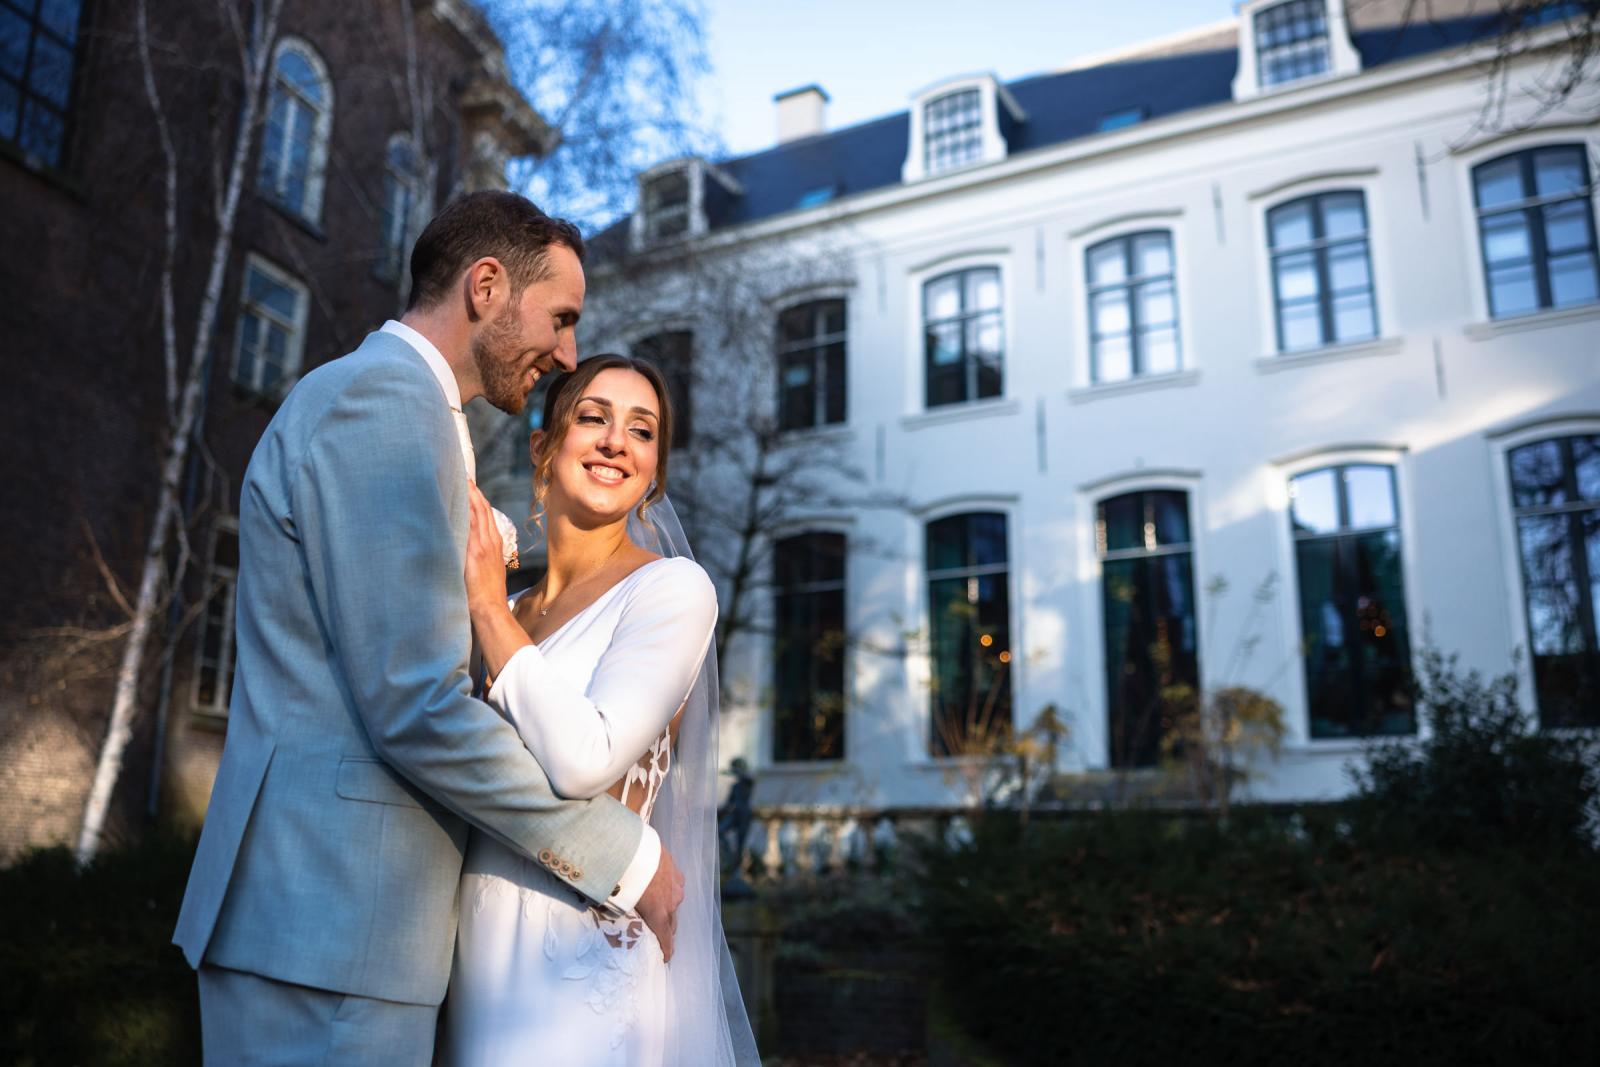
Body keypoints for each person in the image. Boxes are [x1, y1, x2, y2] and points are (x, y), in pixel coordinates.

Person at [172, 192, 683, 1064]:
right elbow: (412, 700)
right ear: (487, 286)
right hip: (329, 926)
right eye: (561, 319)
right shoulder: (385, 403)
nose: (566, 353)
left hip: (347, 931)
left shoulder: (408, 412)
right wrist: (624, 854)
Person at [442, 355, 758, 1065]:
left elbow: (587, 757)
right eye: (593, 417)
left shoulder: (672, 591)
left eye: (641, 430)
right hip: (477, 946)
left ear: (654, 472)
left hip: (582, 961)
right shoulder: (515, 606)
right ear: (542, 446)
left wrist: (488, 608)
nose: (617, 440)